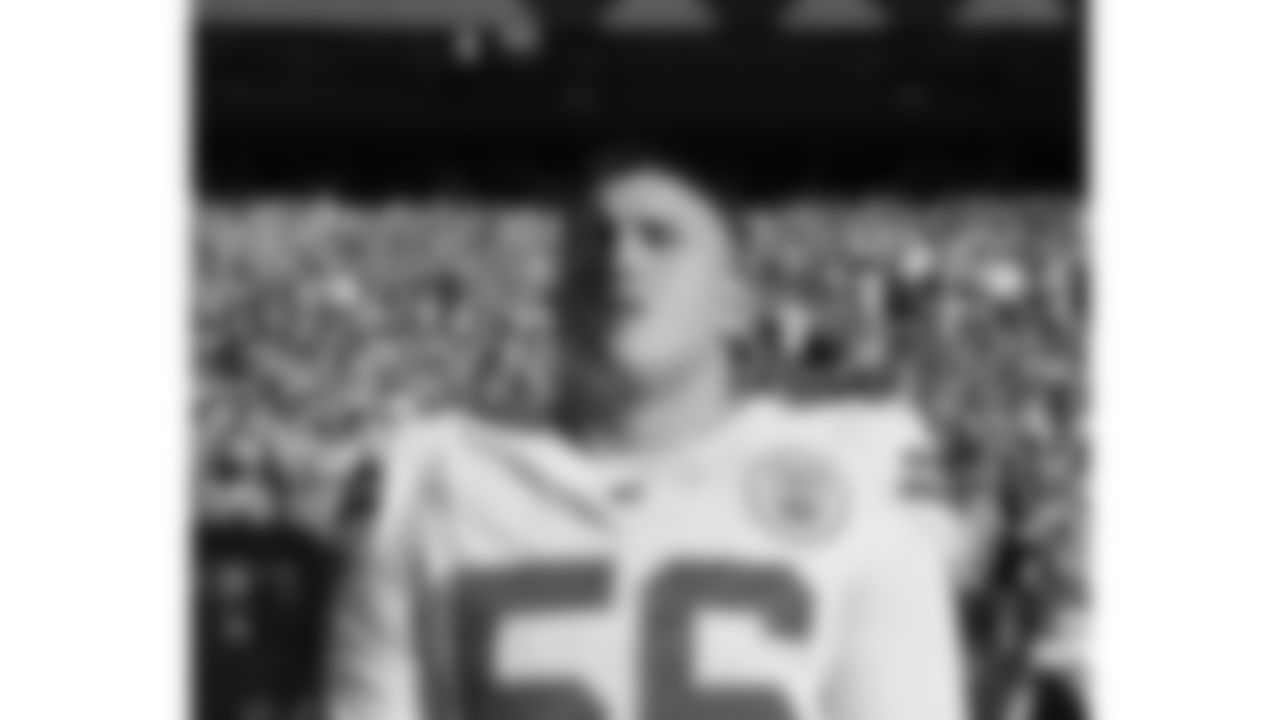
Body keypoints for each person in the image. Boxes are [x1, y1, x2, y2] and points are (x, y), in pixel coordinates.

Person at [325, 151, 969, 720]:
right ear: (554, 298)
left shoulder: (858, 462)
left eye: (659, 238)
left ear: (734, 301)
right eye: (592, 240)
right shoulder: (433, 470)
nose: (619, 258)